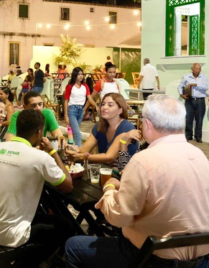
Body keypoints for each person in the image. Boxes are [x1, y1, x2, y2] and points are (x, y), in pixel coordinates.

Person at [65, 94, 209, 268]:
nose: (105, 107)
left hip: (151, 257)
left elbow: (119, 218)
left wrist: (110, 188)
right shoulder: (200, 156)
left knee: (72, 246)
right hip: (200, 259)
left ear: (147, 124)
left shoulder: (142, 158)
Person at [0, 109, 74, 267]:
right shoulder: (40, 157)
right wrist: (52, 151)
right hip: (9, 235)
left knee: (42, 214)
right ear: (39, 131)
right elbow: (68, 186)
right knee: (66, 226)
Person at [65, 92, 140, 167]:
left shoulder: (126, 128)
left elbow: (109, 157)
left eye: (110, 105)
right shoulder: (100, 126)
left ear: (120, 110)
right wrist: (73, 149)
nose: (104, 107)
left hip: (126, 172)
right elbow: (84, 150)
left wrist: (82, 156)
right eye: (103, 104)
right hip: (106, 169)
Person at [64, 67, 98, 146]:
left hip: (81, 110)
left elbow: (89, 98)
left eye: (82, 74)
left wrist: (96, 106)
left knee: (73, 131)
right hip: (72, 110)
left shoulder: (85, 86)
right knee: (77, 133)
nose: (81, 76)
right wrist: (66, 116)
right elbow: (66, 101)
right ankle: (79, 151)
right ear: (75, 75)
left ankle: (70, 147)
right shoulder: (70, 86)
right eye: (78, 74)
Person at [179, 62, 208, 143]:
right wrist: (181, 94)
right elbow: (180, 86)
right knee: (188, 118)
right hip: (189, 100)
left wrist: (196, 84)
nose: (198, 70)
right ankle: (188, 135)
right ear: (192, 69)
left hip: (200, 101)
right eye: (196, 68)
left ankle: (198, 136)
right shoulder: (186, 77)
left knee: (199, 119)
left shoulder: (203, 77)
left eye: (199, 69)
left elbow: (206, 87)